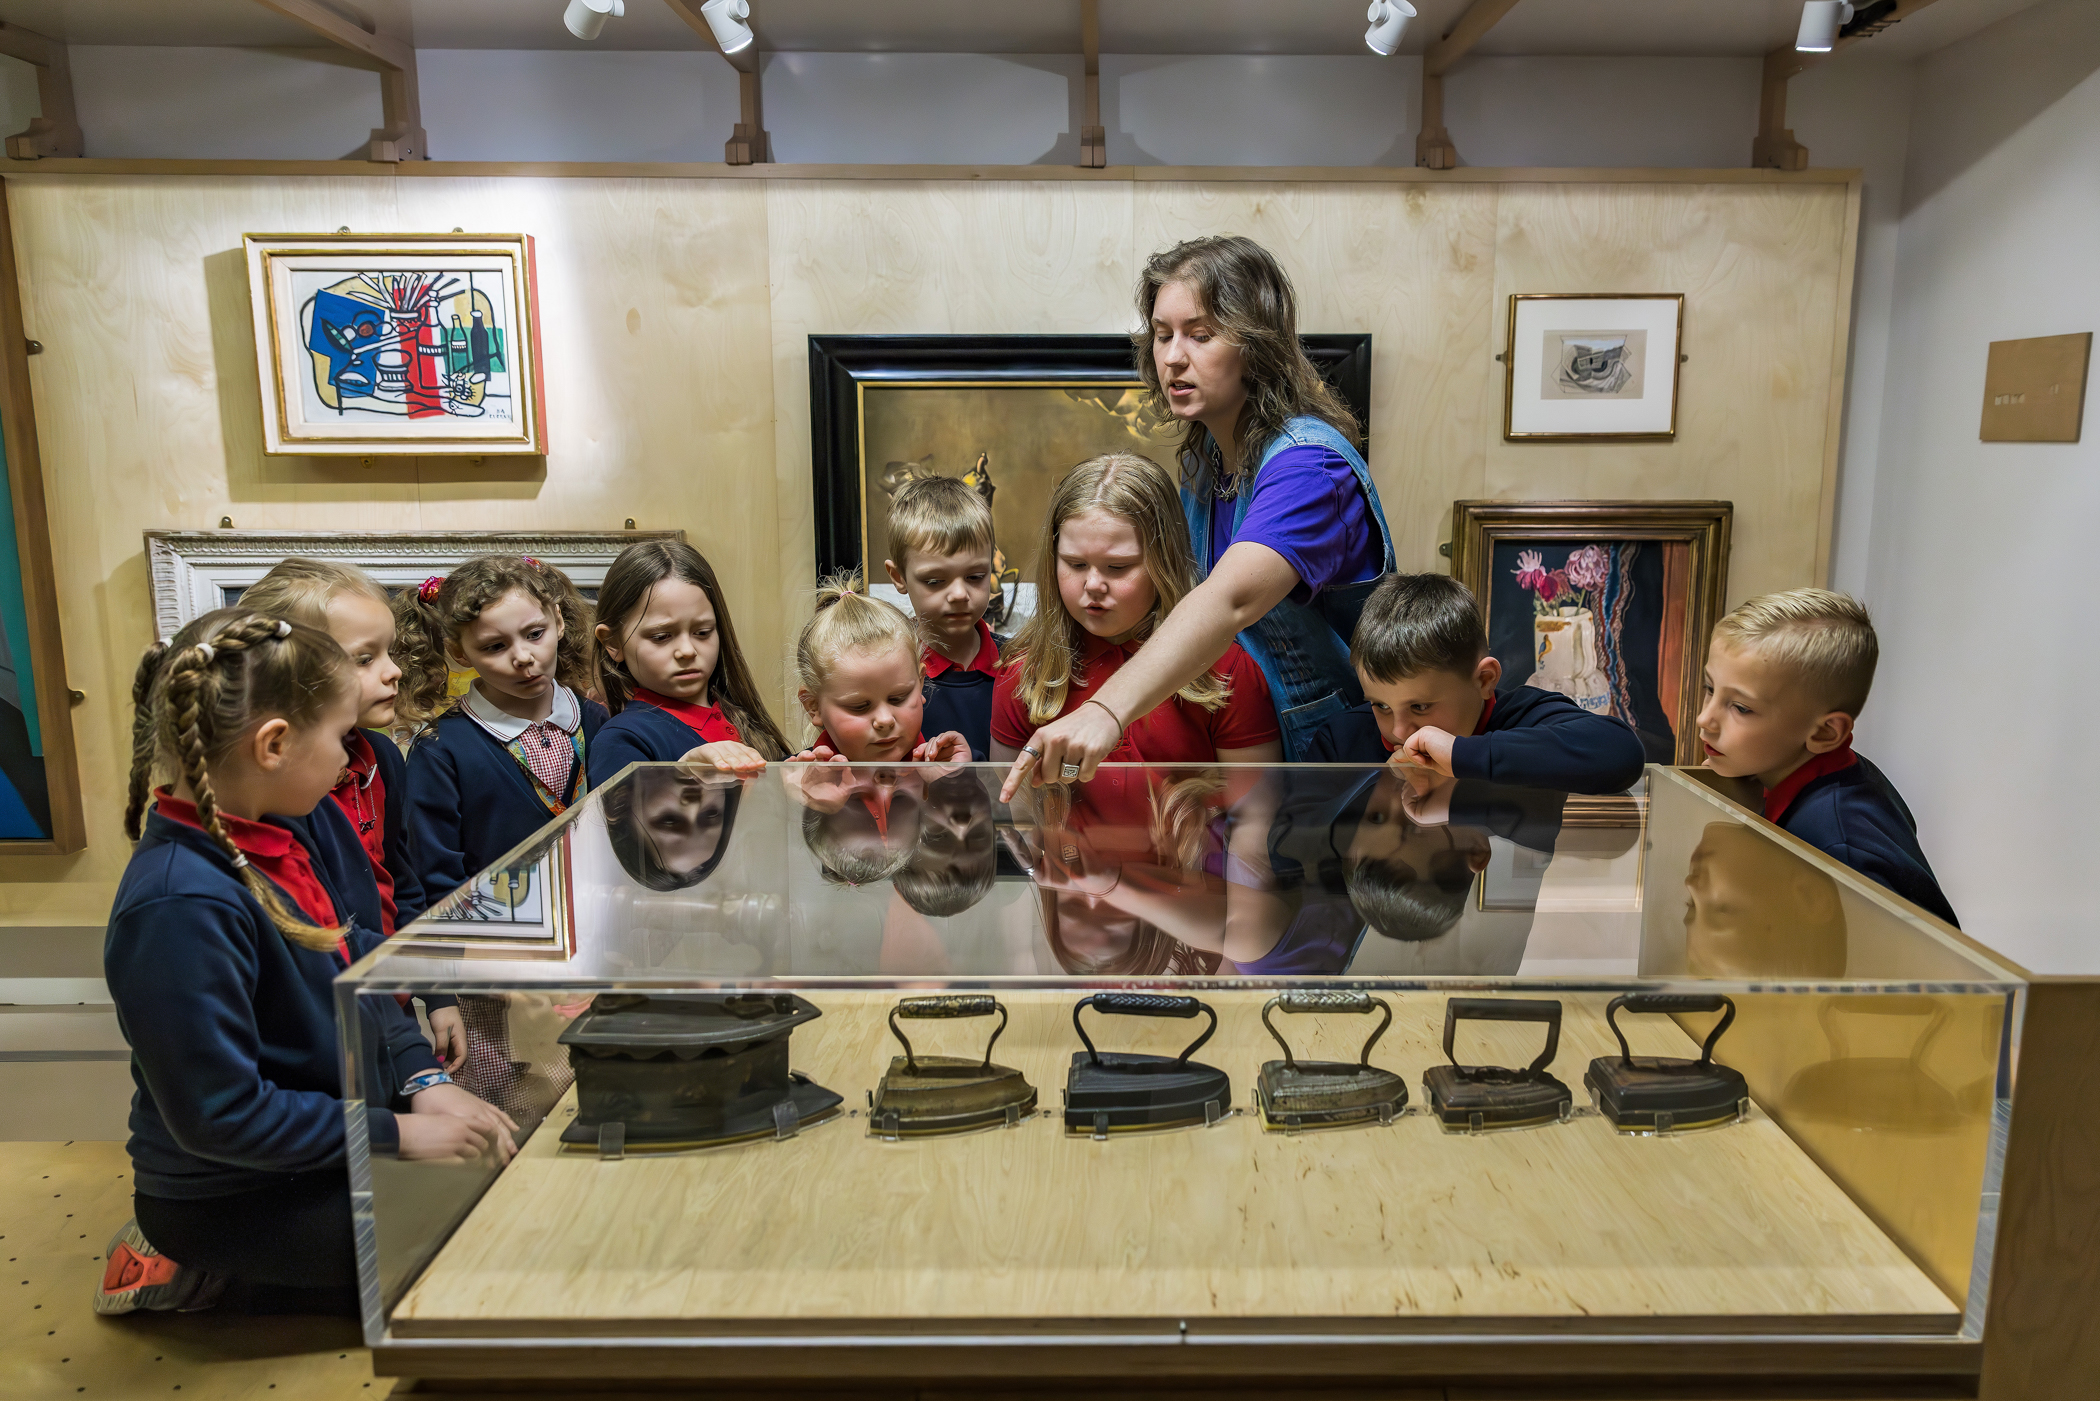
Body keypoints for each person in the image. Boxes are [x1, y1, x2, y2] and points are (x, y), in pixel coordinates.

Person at [98, 610, 515, 1318]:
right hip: (234, 1195)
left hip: (329, 1141)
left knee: (509, 1179)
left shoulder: (294, 824)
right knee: (496, 1248)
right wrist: (399, 1133)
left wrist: (420, 1079)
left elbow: (361, 975)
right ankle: (187, 1268)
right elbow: (221, 1115)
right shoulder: (178, 902)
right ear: (275, 744)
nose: (348, 759)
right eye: (338, 738)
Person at [1002, 236, 1393, 796]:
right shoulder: (1209, 462)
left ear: (1257, 346)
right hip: (1252, 763)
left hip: (1332, 773)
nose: (1172, 357)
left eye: (1200, 335)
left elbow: (1228, 600)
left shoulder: (1310, 467)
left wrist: (1105, 712)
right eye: (1162, 336)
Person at [395, 555, 605, 1118]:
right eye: (494, 647)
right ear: (460, 653)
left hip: (595, 958)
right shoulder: (441, 749)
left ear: (559, 620)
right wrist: (455, 987)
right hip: (495, 981)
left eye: (534, 634)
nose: (523, 657)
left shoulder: (600, 722)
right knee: (520, 1119)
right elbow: (435, 880)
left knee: (601, 1104)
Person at [239, 557, 463, 1069]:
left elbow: (402, 885)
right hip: (325, 1022)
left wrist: (438, 994)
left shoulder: (382, 758)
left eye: (388, 652)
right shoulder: (281, 793)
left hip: (388, 1001)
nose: (394, 671)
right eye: (364, 659)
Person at [990, 451, 1281, 776]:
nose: (1093, 584)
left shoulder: (1225, 671)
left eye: (1117, 567)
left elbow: (1253, 815)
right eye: (1075, 564)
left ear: (1163, 563)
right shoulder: (1023, 673)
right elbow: (1013, 817)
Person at [1696, 588, 1958, 927]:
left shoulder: (1838, 851)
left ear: (1824, 733)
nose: (1705, 719)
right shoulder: (1825, 770)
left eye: (1742, 708)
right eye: (1710, 688)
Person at [1303, 572, 1647, 794]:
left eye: (1420, 706)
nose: (1399, 731)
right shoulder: (1341, 741)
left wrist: (1460, 757)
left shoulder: (1524, 715)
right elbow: (1293, 848)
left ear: (1484, 680)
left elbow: (1621, 752)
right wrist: (1383, 796)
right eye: (1380, 705)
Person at [586, 539, 790, 787]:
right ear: (613, 642)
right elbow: (625, 824)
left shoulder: (739, 714)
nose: (687, 650)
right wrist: (682, 776)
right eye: (661, 637)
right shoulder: (620, 740)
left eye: (702, 632)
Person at [882, 475, 1004, 762]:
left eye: (975, 577)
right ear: (899, 577)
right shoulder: (885, 672)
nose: (960, 594)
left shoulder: (1020, 665)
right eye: (936, 581)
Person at [788, 578, 970, 764]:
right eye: (859, 706)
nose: (885, 720)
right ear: (813, 706)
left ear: (920, 683)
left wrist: (956, 783)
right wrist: (797, 793)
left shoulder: (949, 765)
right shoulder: (794, 781)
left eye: (898, 698)